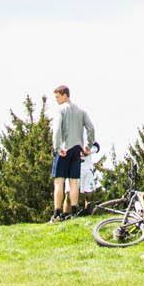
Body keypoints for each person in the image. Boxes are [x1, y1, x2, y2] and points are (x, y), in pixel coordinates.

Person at [50, 83, 98, 221]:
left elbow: (57, 130)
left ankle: (57, 212)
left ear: (65, 95)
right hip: (78, 149)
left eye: (58, 97)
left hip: (64, 149)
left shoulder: (61, 110)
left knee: (59, 182)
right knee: (74, 182)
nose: (57, 100)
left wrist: (57, 147)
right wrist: (88, 146)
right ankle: (73, 211)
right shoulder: (81, 111)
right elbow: (91, 129)